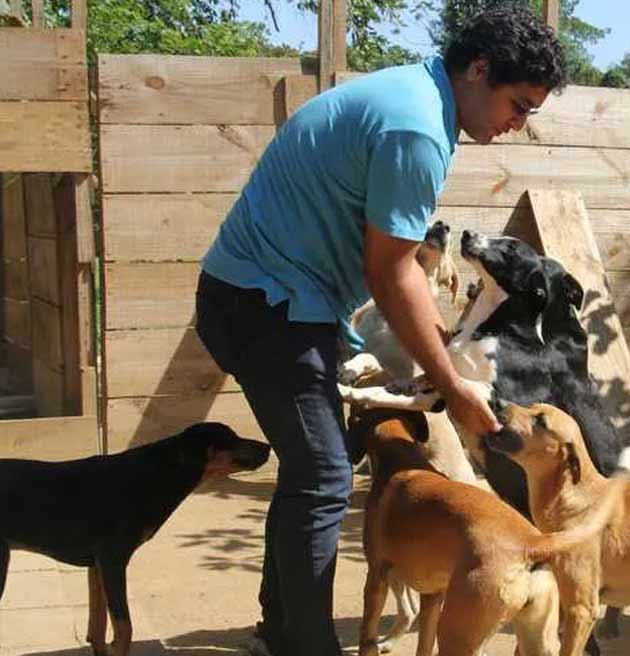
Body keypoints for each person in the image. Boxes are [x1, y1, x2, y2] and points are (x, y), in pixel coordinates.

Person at [193, 5, 566, 656]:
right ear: (479, 70)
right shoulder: (416, 128)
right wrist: (452, 384)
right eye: (519, 105)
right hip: (265, 307)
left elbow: (398, 262)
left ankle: (282, 631)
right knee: (323, 476)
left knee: (311, 471)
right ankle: (304, 645)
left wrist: (438, 356)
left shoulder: (414, 98)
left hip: (262, 300)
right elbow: (391, 270)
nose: (519, 123)